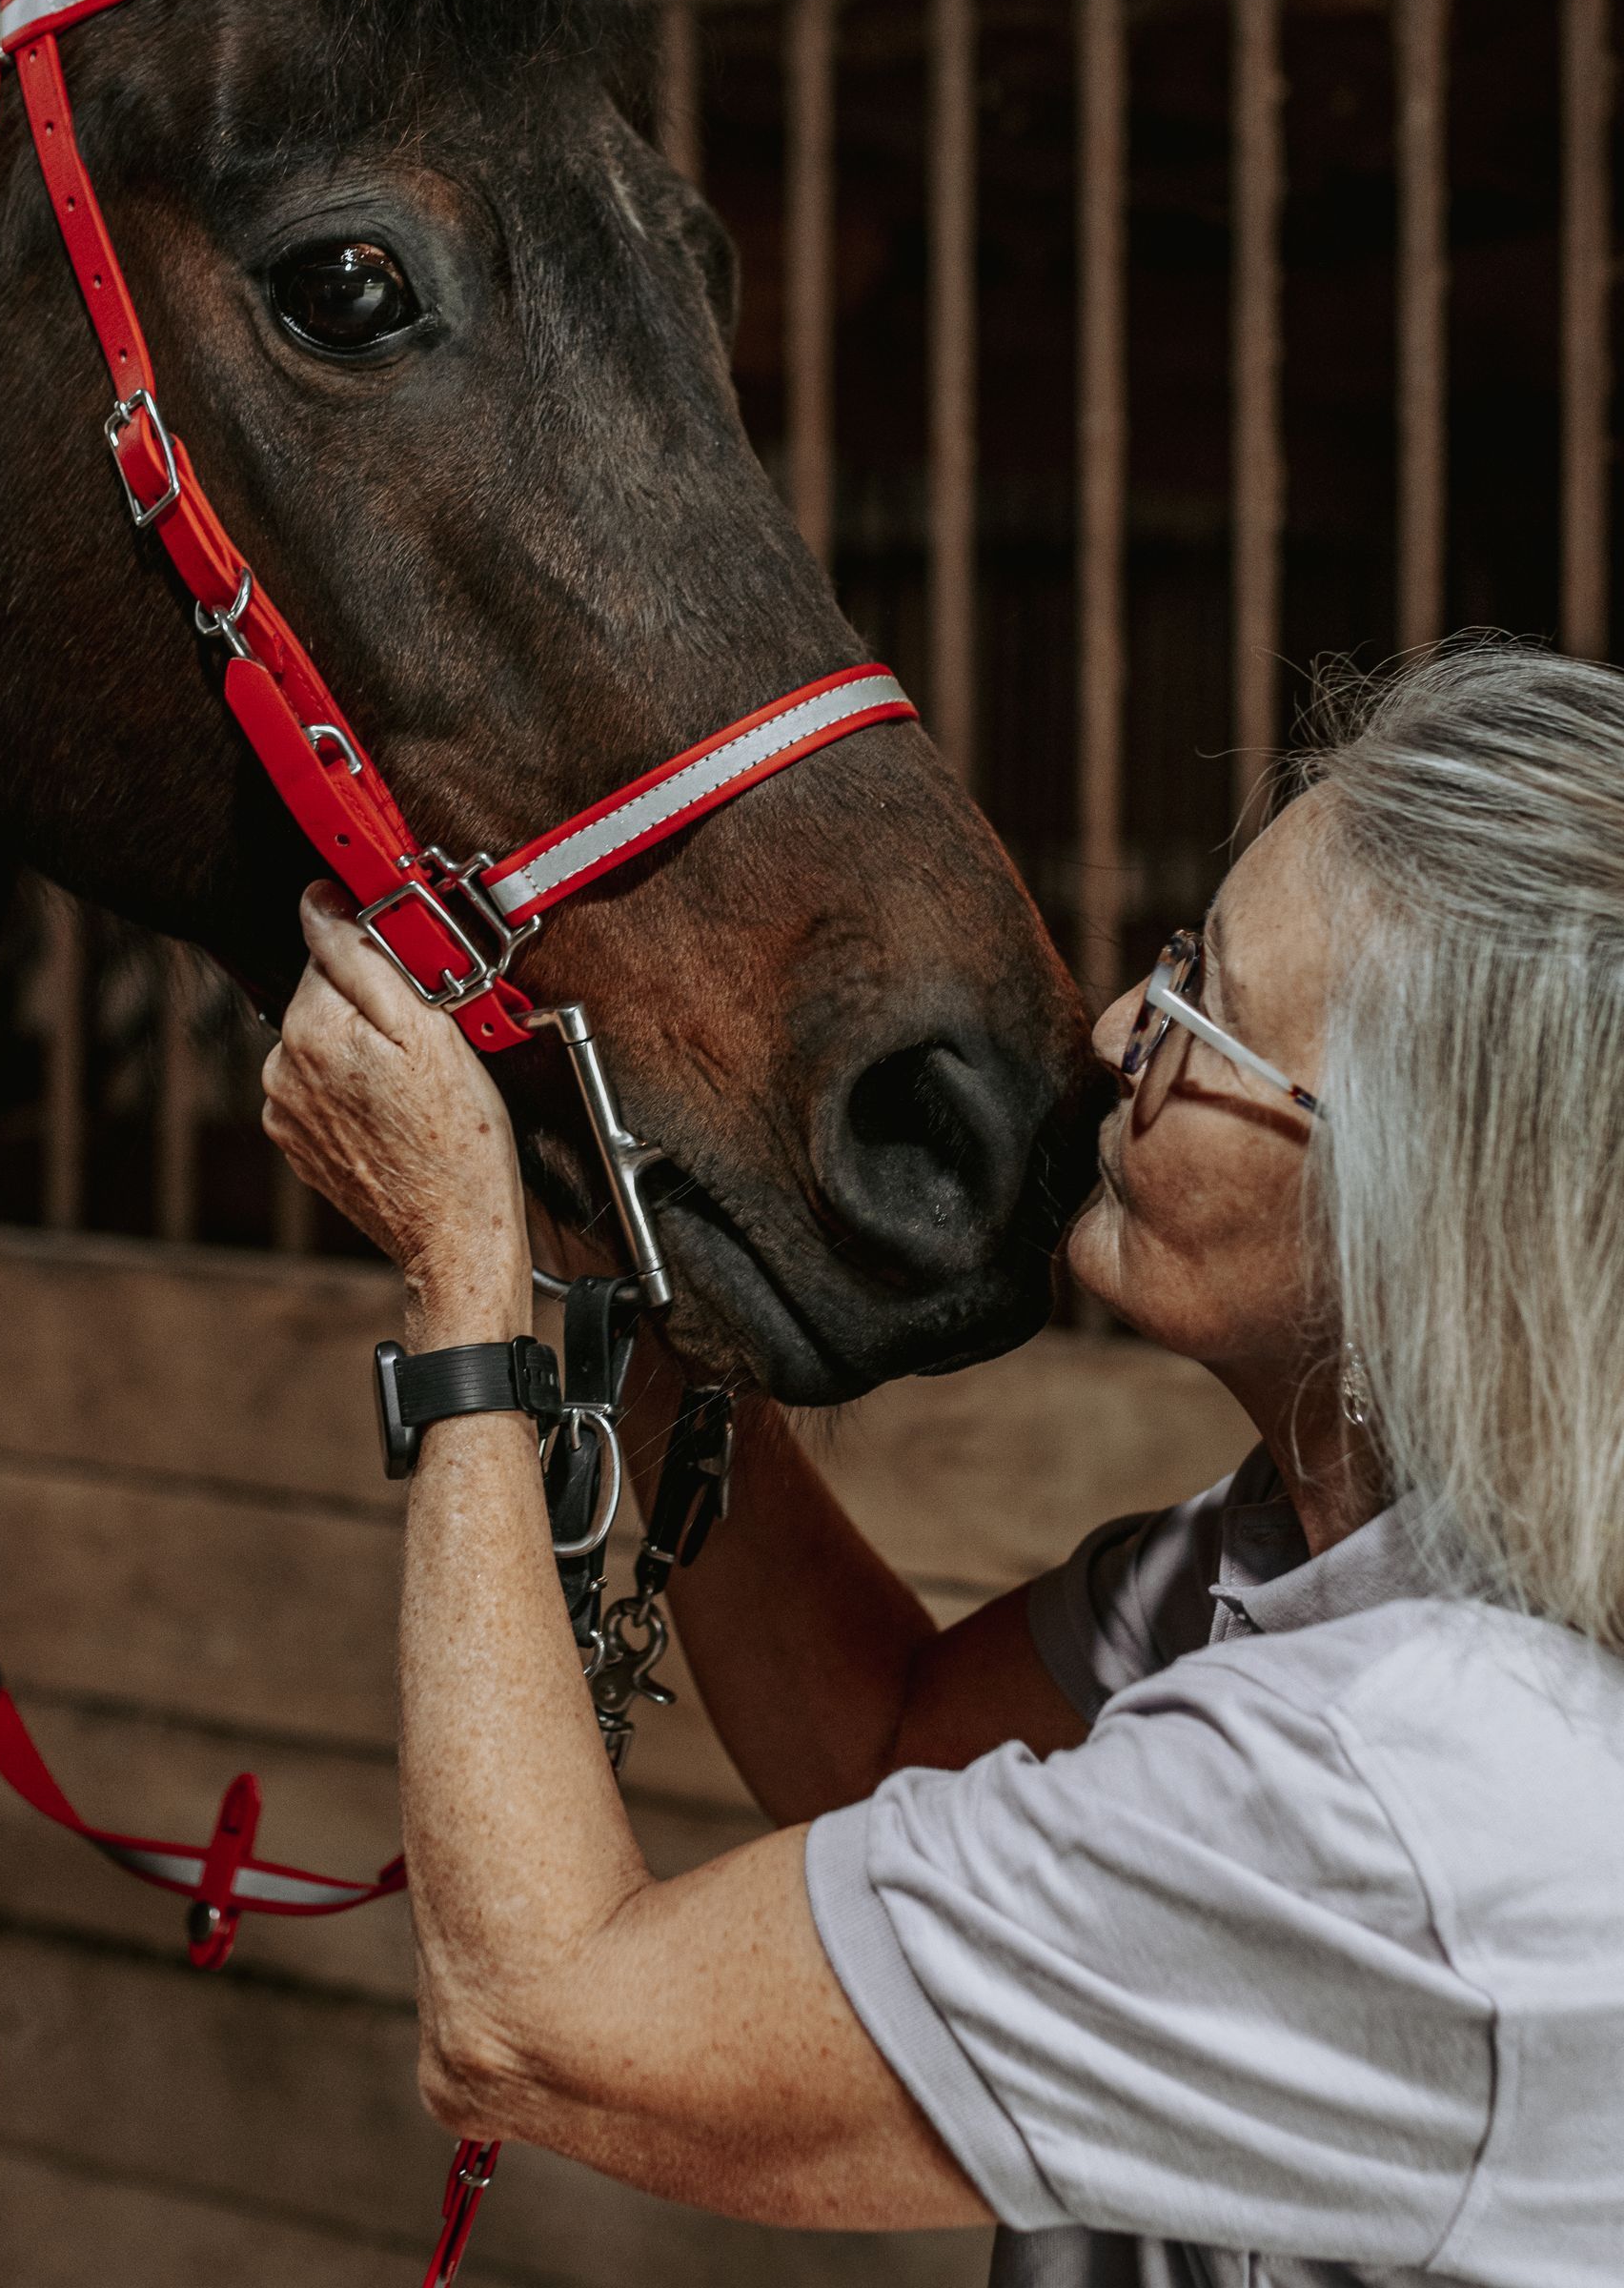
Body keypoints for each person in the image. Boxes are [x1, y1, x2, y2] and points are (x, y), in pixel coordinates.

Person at [259, 642, 1624, 2287]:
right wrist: (620, 1251)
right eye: (1180, 956)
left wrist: (465, 1282)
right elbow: (881, 1740)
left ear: (1429, 1216)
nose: (1125, 1025)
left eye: (1212, 1017)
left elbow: (538, 2026)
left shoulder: (1411, 1797)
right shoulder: (1298, 1550)